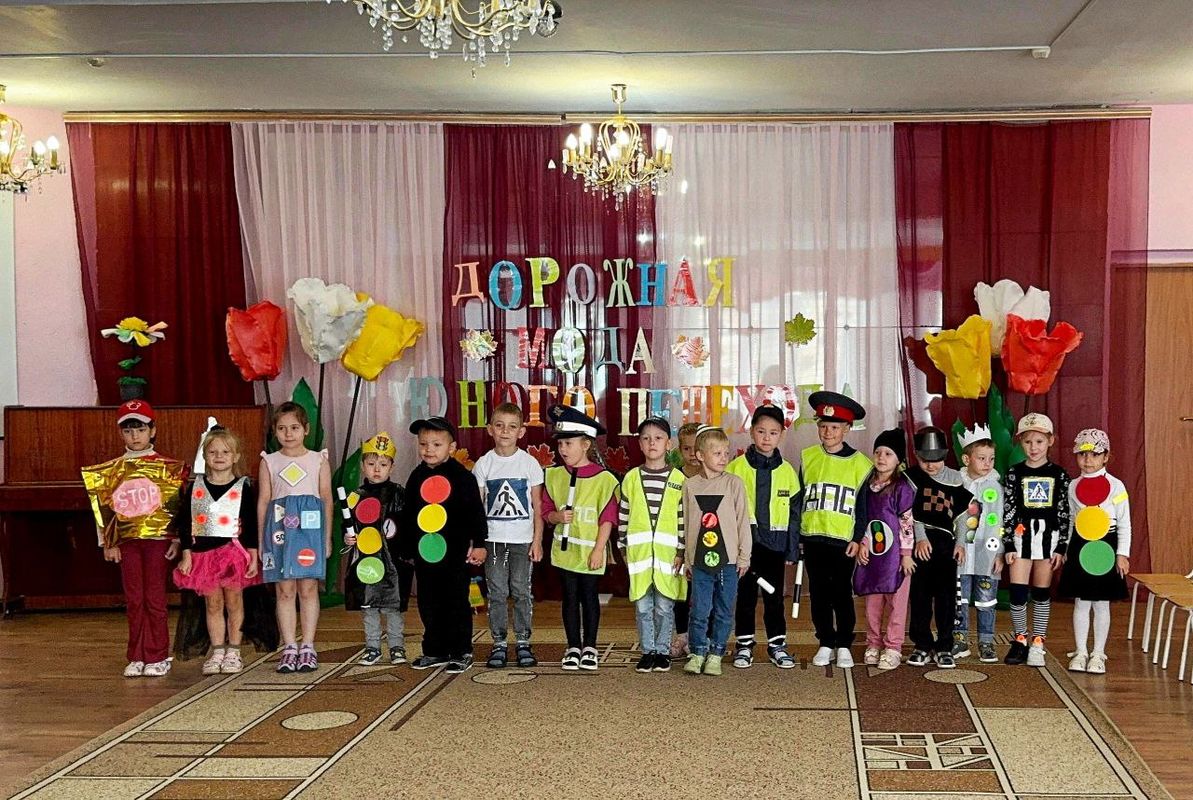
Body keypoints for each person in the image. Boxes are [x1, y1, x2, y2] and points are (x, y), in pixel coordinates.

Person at [81, 400, 186, 677]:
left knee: (155, 597)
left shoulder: (167, 468)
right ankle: (137, 654)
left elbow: (176, 506)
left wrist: (177, 540)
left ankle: (157, 654)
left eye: (140, 430)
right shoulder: (112, 471)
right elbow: (104, 508)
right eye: (128, 431)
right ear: (121, 434)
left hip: (157, 541)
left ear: (152, 430)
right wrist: (108, 542)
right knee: (134, 598)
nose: (135, 436)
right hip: (127, 542)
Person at [173, 427, 263, 675]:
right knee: (213, 604)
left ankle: (234, 650)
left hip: (234, 554)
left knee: (234, 601)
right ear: (205, 456)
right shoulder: (196, 486)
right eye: (213, 452)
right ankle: (218, 650)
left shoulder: (243, 486)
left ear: (235, 457)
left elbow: (250, 523)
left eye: (225, 452)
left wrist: (253, 555)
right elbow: (185, 522)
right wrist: (186, 553)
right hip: (203, 556)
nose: (219, 456)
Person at [403, 416, 487, 674]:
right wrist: (406, 547)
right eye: (423, 444)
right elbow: (408, 514)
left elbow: (475, 512)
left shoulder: (462, 477)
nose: (429, 449)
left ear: (451, 447)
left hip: (454, 553)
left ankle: (461, 651)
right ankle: (435, 649)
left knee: (455, 601)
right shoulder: (416, 476)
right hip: (425, 554)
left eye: (436, 444)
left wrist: (480, 543)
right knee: (428, 601)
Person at [541, 405, 620, 671]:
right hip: (564, 553)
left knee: (589, 597)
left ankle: (590, 647)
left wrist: (599, 550)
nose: (563, 449)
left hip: (590, 554)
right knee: (569, 598)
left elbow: (607, 518)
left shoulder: (604, 479)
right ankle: (573, 646)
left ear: (586, 444)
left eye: (569, 443)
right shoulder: (554, 475)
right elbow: (545, 510)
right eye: (560, 443)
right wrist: (555, 517)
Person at [257, 402, 332, 674]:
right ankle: (289, 647)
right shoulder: (269, 461)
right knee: (285, 590)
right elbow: (264, 501)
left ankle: (308, 646)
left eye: (294, 427)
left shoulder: (318, 460)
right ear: (274, 431)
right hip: (279, 531)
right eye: (281, 428)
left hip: (310, 532)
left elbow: (326, 499)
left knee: (308, 589)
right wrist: (261, 540)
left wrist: (326, 538)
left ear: (306, 429)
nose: (288, 434)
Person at [800, 391, 873, 668]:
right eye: (823, 426)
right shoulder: (808, 457)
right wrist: (798, 537)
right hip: (813, 537)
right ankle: (825, 641)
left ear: (847, 429)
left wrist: (857, 537)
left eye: (834, 427)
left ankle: (843, 643)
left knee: (841, 592)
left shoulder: (861, 464)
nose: (828, 432)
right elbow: (800, 499)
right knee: (818, 593)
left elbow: (863, 507)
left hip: (843, 541)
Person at [727, 405, 801, 669]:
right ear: (751, 432)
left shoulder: (788, 472)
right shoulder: (735, 468)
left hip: (775, 548)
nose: (766, 437)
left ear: (782, 434)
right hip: (744, 548)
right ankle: (744, 644)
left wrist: (792, 549)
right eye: (761, 431)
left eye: (773, 432)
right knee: (745, 596)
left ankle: (777, 644)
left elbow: (794, 514)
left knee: (774, 598)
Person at [472, 403, 545, 669]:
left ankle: (523, 641)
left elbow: (538, 506)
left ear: (521, 432)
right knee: (497, 592)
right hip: (493, 541)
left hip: (522, 540)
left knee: (522, 591)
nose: (505, 431)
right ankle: (499, 642)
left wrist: (537, 540)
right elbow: (477, 508)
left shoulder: (529, 463)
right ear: (490, 429)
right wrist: (476, 543)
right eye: (499, 425)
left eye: (512, 426)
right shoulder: (484, 464)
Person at [1058, 429, 1131, 675]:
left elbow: (1124, 523)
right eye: (1082, 454)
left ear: (1106, 456)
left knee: (1101, 603)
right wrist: (1067, 548)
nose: (1088, 460)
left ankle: (1098, 653)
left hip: (1106, 546)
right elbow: (1072, 520)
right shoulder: (1073, 486)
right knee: (1081, 601)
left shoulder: (1116, 486)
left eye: (1095, 454)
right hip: (1080, 546)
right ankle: (1080, 651)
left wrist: (1122, 554)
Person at [1002, 413, 1071, 667]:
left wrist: (1061, 546)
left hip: (1048, 541)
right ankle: (1020, 639)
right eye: (1028, 442)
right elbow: (1008, 509)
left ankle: (1038, 642)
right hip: (1021, 539)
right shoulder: (1014, 473)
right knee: (1018, 591)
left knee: (1042, 592)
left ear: (1051, 441)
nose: (1034, 448)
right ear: (1021, 443)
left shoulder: (1060, 475)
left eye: (1039, 441)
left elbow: (1064, 512)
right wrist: (1009, 543)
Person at [681, 426, 751, 676]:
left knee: (724, 609)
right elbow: (687, 523)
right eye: (717, 453)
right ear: (700, 455)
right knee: (700, 609)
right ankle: (697, 651)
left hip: (729, 561)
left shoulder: (734, 484)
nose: (724, 458)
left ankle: (716, 653)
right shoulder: (690, 486)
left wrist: (744, 556)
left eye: (726, 453)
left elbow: (743, 521)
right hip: (700, 561)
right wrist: (688, 558)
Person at [619, 416, 686, 673]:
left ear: (668, 444)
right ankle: (648, 651)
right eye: (646, 438)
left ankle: (662, 650)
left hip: (669, 556)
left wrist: (681, 550)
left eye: (658, 438)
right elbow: (624, 515)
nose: (652, 443)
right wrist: (623, 547)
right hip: (639, 555)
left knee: (664, 605)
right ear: (639, 444)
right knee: (643, 605)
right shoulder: (631, 478)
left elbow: (682, 518)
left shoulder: (678, 479)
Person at [903, 427, 972, 669]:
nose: (931, 465)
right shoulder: (911, 477)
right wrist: (921, 538)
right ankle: (922, 644)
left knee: (946, 598)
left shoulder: (955, 478)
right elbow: (910, 511)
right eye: (925, 460)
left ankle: (944, 645)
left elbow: (961, 515)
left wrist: (960, 543)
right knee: (920, 596)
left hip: (946, 545)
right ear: (916, 455)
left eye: (936, 460)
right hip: (919, 545)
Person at [851, 428, 916, 671]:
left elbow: (907, 523)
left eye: (888, 453)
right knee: (873, 603)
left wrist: (906, 555)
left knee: (897, 603)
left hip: (896, 558)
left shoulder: (902, 487)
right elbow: (863, 518)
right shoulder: (867, 486)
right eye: (878, 452)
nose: (881, 457)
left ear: (898, 459)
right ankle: (873, 642)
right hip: (874, 556)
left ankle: (893, 646)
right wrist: (863, 543)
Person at [344, 432, 411, 666]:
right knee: (369, 605)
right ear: (363, 466)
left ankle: (397, 647)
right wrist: (348, 538)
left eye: (383, 465)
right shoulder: (355, 497)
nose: (376, 469)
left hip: (393, 560)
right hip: (366, 559)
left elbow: (405, 526)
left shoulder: (399, 493)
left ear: (391, 466)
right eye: (371, 464)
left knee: (393, 606)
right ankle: (372, 647)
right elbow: (348, 527)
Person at [953, 425, 1004, 663]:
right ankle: (960, 639)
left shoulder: (995, 487)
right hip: (962, 551)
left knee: (986, 599)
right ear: (967, 459)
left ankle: (986, 642)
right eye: (981, 458)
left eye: (991, 459)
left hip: (986, 551)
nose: (987, 463)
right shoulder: (957, 483)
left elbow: (999, 521)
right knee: (959, 598)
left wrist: (999, 553)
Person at [669, 421, 705, 658]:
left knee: (701, 593)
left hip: (704, 545)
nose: (692, 454)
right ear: (679, 450)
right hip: (678, 545)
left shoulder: (712, 477)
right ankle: (682, 634)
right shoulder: (673, 478)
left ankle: (701, 636)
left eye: (696, 448)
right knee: (681, 591)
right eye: (686, 449)